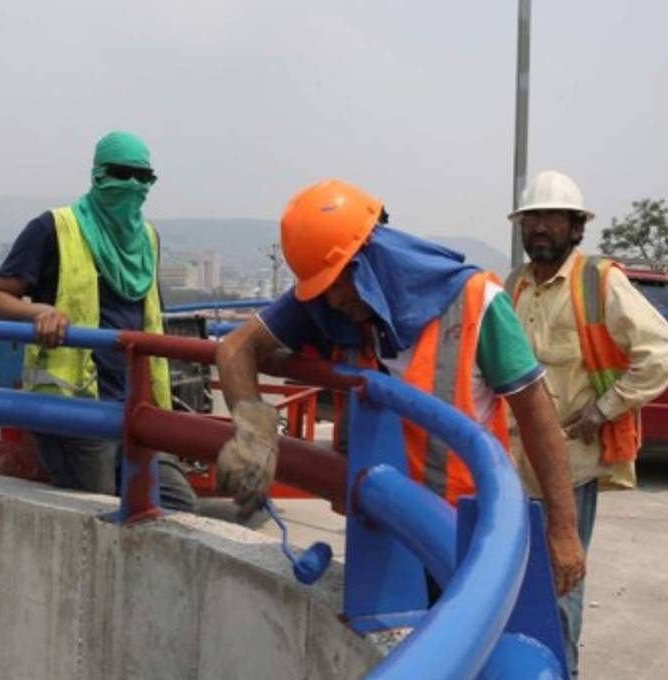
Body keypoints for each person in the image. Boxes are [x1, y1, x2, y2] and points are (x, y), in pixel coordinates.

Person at [215, 179, 585, 598]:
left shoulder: (478, 302)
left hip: (462, 531)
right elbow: (234, 349)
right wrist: (254, 430)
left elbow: (536, 414)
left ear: (368, 262)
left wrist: (564, 529)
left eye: (336, 285)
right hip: (380, 522)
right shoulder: (335, 298)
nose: (331, 301)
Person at [506, 169, 668, 680]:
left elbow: (662, 352)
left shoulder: (598, 281)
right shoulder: (511, 286)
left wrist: (604, 410)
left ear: (576, 228)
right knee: (512, 583)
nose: (540, 227)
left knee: (562, 584)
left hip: (568, 466)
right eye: (532, 217)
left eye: (551, 218)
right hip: (512, 465)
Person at [0, 131, 196, 512]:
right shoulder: (53, 228)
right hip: (75, 406)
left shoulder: (147, 239)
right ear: (97, 175)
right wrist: (38, 312)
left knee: (177, 506)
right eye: (120, 173)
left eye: (142, 176)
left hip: (138, 405)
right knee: (97, 516)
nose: (132, 184)